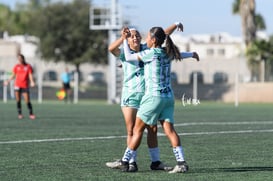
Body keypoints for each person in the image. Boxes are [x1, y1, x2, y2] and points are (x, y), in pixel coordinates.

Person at [119, 26, 199, 173]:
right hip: (168, 97)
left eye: (148, 37)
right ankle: (181, 163)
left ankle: (125, 161)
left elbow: (129, 57)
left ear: (153, 40)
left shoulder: (151, 53)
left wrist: (124, 39)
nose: (146, 40)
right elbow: (180, 54)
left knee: (137, 130)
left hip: (153, 98)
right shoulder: (167, 52)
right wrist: (192, 54)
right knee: (169, 130)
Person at [106, 23, 184, 172]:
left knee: (152, 129)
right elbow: (111, 49)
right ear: (127, 39)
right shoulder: (124, 51)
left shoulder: (146, 49)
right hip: (130, 96)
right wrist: (122, 37)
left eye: (137, 35)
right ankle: (131, 162)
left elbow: (162, 34)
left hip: (148, 96)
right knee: (132, 130)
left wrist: (175, 25)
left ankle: (155, 162)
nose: (134, 37)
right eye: (131, 36)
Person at [4, 54, 36, 120]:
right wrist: (8, 81)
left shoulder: (28, 66)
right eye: (18, 59)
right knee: (18, 100)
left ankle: (31, 114)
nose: (19, 60)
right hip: (17, 85)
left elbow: (30, 75)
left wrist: (32, 81)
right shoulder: (16, 66)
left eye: (20, 58)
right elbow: (13, 75)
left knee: (27, 100)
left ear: (23, 59)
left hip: (25, 85)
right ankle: (20, 114)